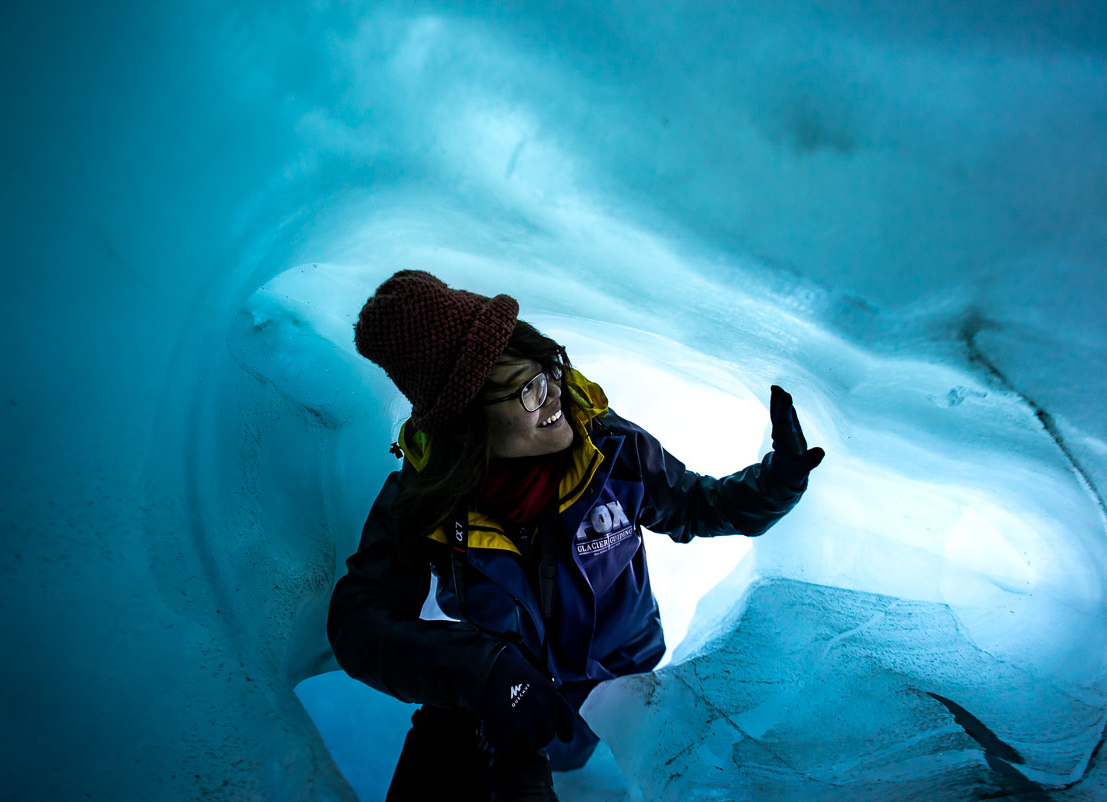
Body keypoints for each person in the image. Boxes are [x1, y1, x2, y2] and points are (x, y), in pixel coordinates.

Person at [327, 270, 824, 801]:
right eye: (529, 390)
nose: (554, 394)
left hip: (615, 702)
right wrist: (483, 673)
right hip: (505, 708)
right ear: (468, 424)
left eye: (549, 371)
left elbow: (700, 506)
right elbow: (361, 621)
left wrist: (781, 479)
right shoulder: (426, 499)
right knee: (446, 740)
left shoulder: (612, 453)